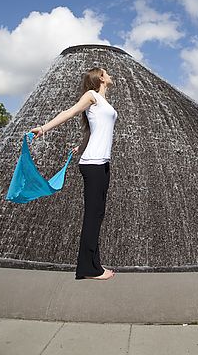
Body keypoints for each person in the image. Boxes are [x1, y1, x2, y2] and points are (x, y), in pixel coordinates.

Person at [31, 67, 117, 280]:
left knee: (97, 215)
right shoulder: (91, 95)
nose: (110, 75)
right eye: (106, 73)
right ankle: (88, 269)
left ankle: (94, 264)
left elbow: (94, 129)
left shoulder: (103, 102)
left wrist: (81, 145)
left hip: (102, 163)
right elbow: (69, 112)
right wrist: (43, 128)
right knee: (92, 216)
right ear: (100, 78)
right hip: (93, 164)